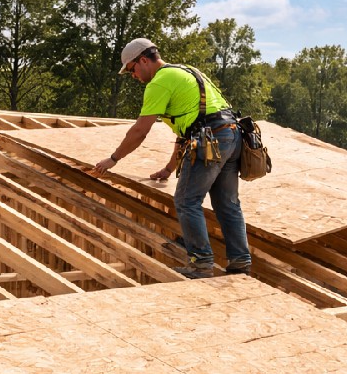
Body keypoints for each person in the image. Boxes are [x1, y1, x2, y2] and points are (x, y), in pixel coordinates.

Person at [92, 37, 252, 279]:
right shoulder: (186, 71)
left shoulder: (159, 82)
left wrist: (113, 159)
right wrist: (169, 168)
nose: (133, 76)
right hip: (232, 136)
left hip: (210, 140)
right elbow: (188, 128)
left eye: (132, 70)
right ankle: (240, 261)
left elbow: (140, 131)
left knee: (187, 201)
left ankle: (201, 264)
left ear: (143, 60)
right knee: (227, 203)